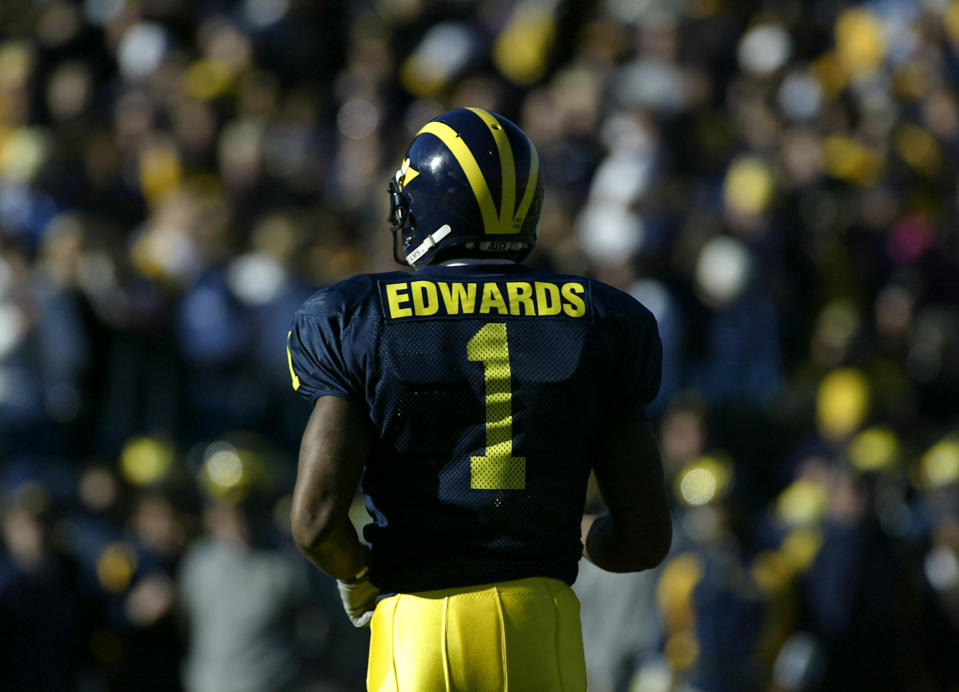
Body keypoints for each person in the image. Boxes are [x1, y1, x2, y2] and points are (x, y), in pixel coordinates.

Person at [287, 107, 672, 691]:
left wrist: (359, 571)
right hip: (540, 624)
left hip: (417, 624)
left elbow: (314, 523)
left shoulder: (357, 315)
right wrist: (572, 531)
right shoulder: (604, 319)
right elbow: (644, 537)